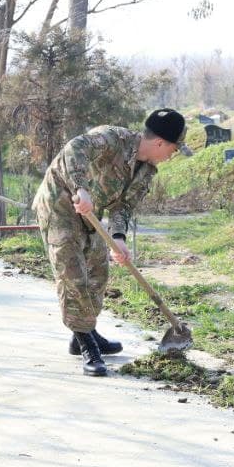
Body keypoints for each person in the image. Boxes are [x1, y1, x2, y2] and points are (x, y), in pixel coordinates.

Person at [33, 109, 186, 376]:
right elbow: (73, 149)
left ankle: (83, 332)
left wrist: (118, 238)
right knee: (72, 276)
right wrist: (80, 188)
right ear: (161, 143)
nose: (172, 156)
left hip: (90, 213)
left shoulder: (147, 170)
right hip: (59, 205)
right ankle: (87, 346)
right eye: (174, 149)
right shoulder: (112, 138)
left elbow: (123, 206)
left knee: (98, 273)